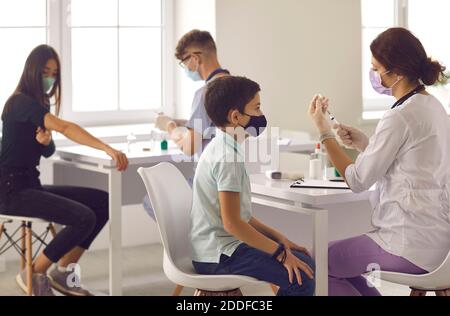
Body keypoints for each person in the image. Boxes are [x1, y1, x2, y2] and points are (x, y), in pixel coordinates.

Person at [308, 27, 450, 296]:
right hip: (441, 247)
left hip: (408, 244)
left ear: (395, 73)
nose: (373, 75)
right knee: (336, 263)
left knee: (315, 261)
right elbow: (413, 162)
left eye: (376, 69)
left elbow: (358, 180)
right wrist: (363, 142)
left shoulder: (399, 117)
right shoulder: (433, 107)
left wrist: (323, 131)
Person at [0, 45, 129, 296]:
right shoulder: (19, 102)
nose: (50, 78)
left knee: (103, 201)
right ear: (32, 72)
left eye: (54, 73)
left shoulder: (40, 103)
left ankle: (63, 271)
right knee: (83, 217)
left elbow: (47, 150)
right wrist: (107, 148)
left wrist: (45, 142)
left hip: (29, 185)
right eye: (45, 71)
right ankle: (33, 273)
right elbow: (66, 128)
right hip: (9, 190)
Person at [190, 76, 315, 296]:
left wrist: (280, 240)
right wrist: (281, 254)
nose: (261, 114)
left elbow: (242, 218)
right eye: (256, 108)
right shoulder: (227, 158)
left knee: (304, 263)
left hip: (222, 248)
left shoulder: (225, 148)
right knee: (302, 277)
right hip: (219, 256)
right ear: (236, 116)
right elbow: (233, 224)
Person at [143, 30, 230, 220]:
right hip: (233, 182)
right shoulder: (241, 89)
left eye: (183, 62)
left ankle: (193, 244)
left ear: (195, 58)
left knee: (150, 201)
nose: (185, 68)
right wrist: (188, 123)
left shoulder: (204, 94)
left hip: (209, 184)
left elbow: (189, 147)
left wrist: (170, 126)